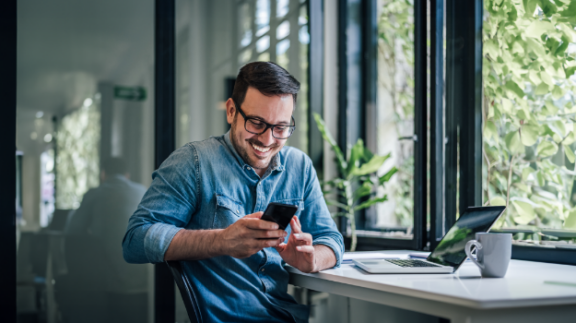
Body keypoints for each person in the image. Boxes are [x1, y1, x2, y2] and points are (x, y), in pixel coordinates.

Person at [122, 61, 344, 322]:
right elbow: (135, 241)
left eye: (281, 128)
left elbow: (331, 239)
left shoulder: (300, 167)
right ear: (231, 111)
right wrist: (222, 241)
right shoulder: (192, 163)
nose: (267, 139)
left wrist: (312, 259)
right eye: (256, 123)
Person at [64, 157, 148, 322]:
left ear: (103, 174)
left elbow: (72, 231)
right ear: (127, 175)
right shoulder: (143, 191)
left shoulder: (95, 194)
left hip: (109, 286)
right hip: (145, 282)